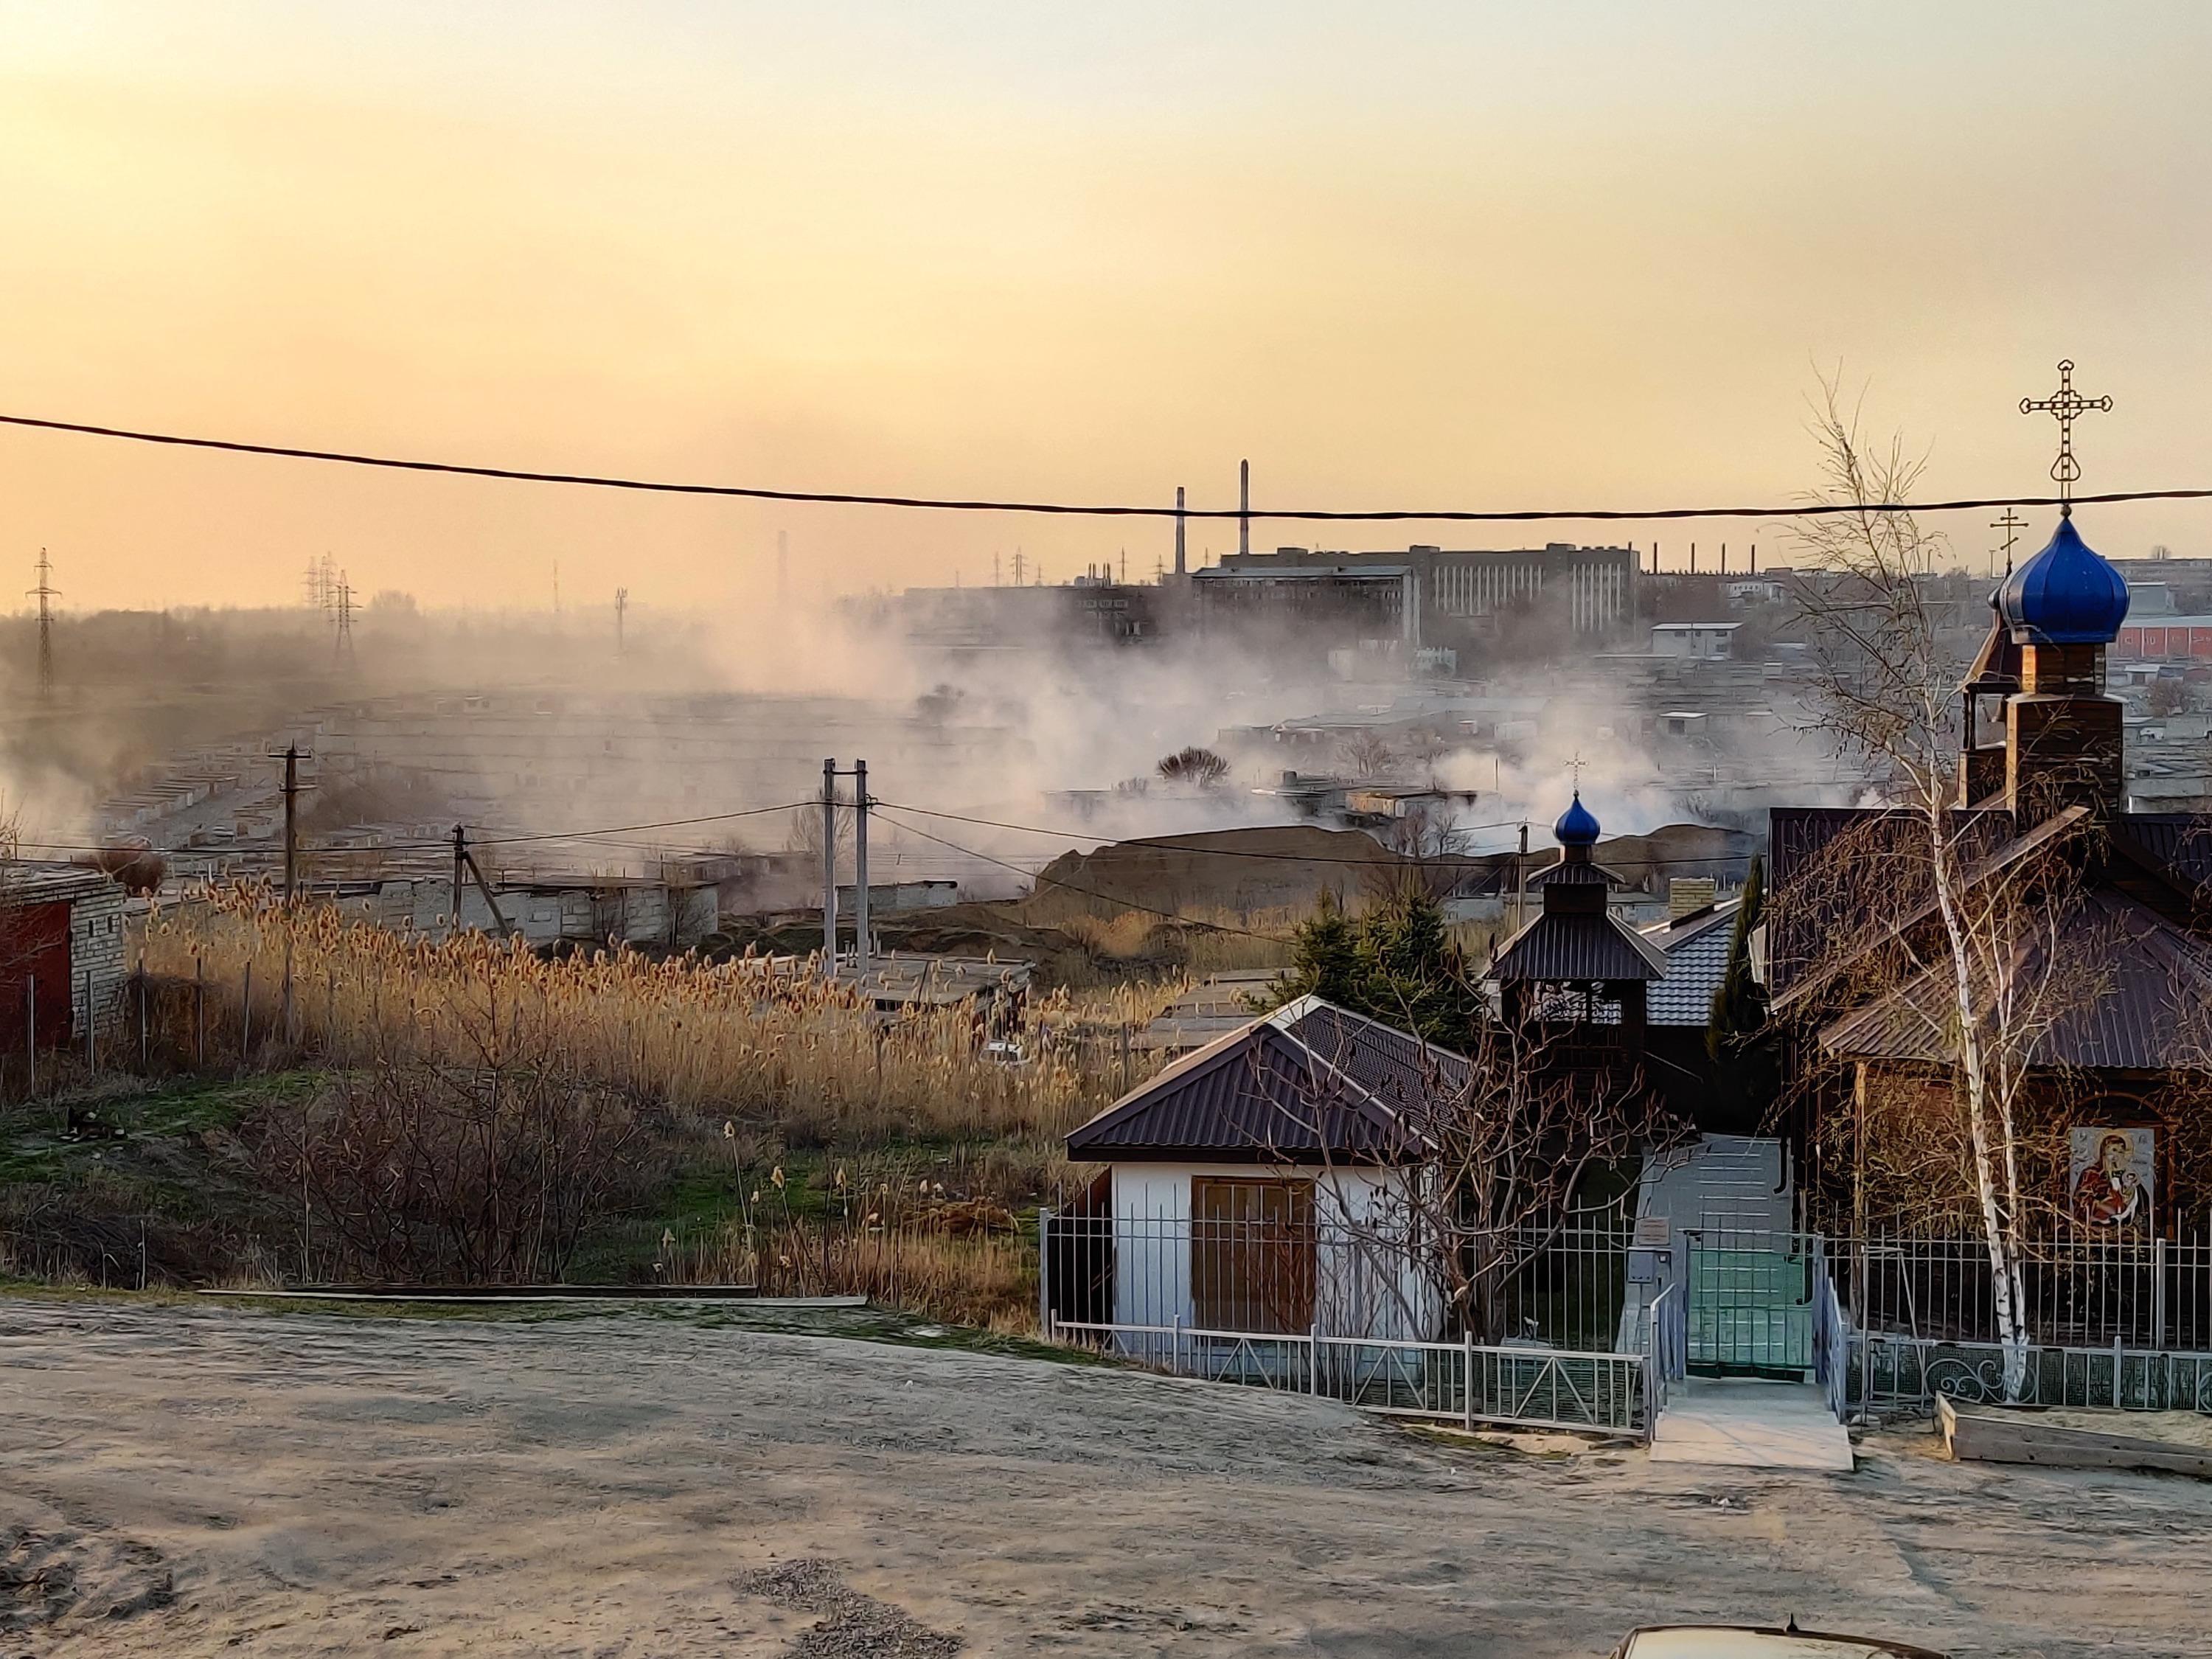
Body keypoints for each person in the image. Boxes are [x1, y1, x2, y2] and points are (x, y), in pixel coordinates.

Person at [2073, 1131, 2143, 1227]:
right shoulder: (2091, 1173)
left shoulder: (2126, 1175)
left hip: (2121, 1216)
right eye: (2113, 1150)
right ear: (2104, 1151)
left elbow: (2139, 1200)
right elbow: (2081, 1199)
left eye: (2120, 1152)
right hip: (2097, 1217)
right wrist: (2101, 1203)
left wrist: (2129, 1190)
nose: (2117, 1155)